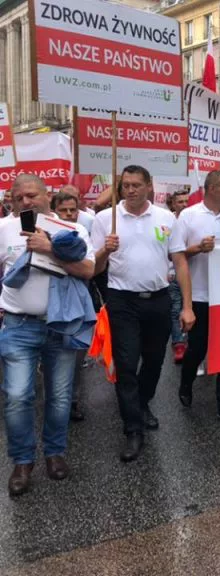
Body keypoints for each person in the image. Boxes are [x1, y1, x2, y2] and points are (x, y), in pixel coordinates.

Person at [92, 166, 195, 462]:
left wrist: (187, 306)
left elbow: (180, 262)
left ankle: (142, 402)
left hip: (158, 300)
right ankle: (133, 429)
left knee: (154, 360)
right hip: (122, 301)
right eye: (126, 185)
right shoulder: (105, 219)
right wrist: (105, 251)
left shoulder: (166, 218)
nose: (131, 190)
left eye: (137, 184)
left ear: (150, 186)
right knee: (126, 364)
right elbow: (95, 268)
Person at [0, 175, 95, 496]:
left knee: (60, 396)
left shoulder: (72, 229)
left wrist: (50, 249)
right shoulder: (4, 229)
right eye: (19, 197)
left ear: (46, 195)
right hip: (18, 325)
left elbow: (87, 270)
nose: (26, 201)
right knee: (17, 396)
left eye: (31, 195)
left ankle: (54, 453)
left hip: (61, 325)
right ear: (12, 201)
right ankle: (22, 461)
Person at [169, 170, 220, 426]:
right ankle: (186, 382)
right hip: (200, 294)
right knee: (198, 348)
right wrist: (198, 248)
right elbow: (175, 255)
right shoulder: (188, 216)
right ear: (211, 189)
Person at [51, 191, 93, 423]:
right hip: (47, 303)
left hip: (75, 300)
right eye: (63, 210)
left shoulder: (81, 231)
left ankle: (72, 401)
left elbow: (87, 267)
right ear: (54, 210)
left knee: (74, 355)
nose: (68, 214)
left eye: (72, 210)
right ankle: (53, 401)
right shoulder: (42, 229)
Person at [166, 190, 190, 364]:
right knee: (175, 309)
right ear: (173, 204)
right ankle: (179, 344)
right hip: (172, 275)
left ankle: (190, 342)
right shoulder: (168, 222)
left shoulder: (192, 220)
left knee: (189, 309)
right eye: (180, 201)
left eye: (186, 201)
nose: (184, 204)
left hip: (192, 274)